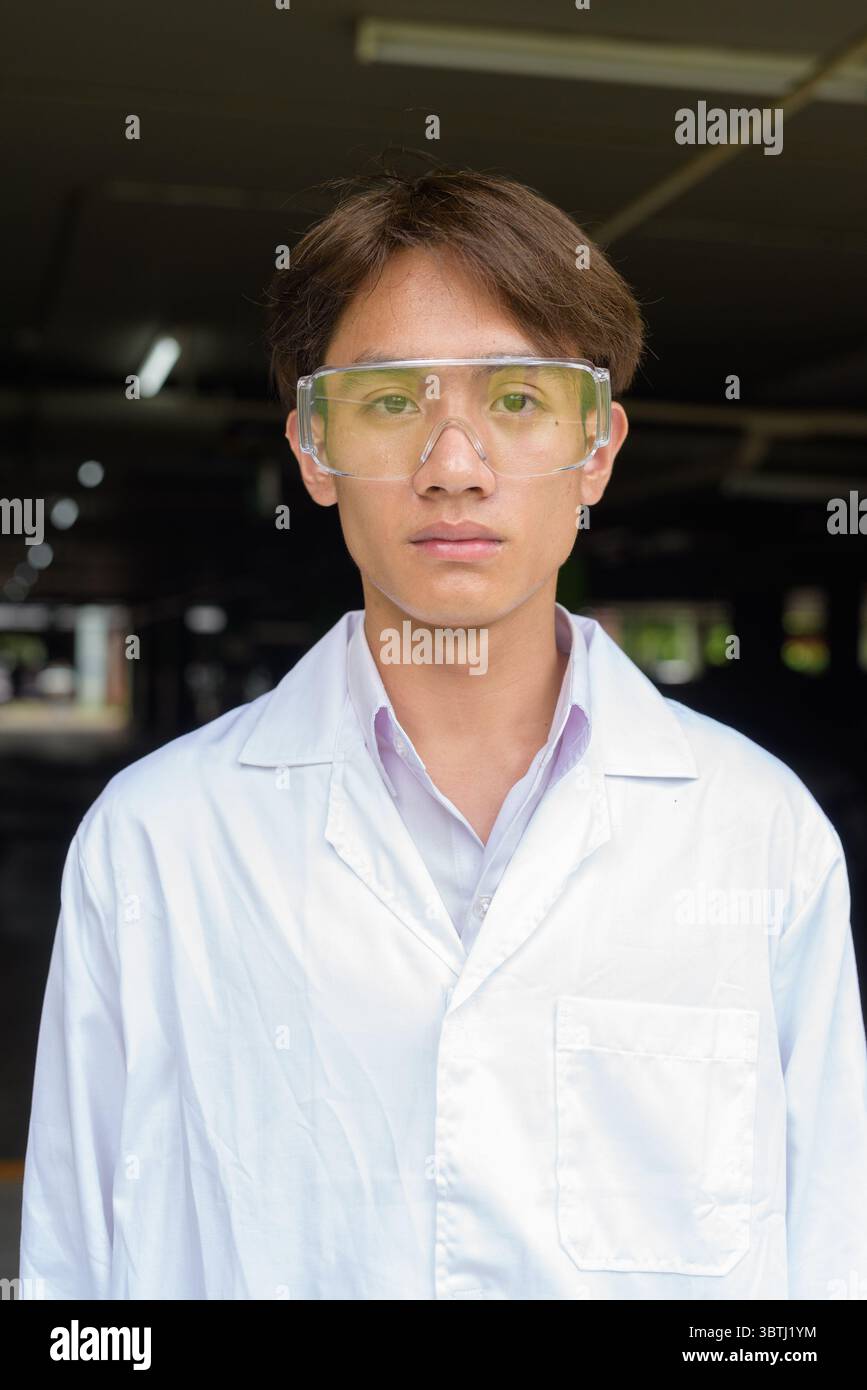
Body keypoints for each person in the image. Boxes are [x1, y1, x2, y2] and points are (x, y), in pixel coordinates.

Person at [20, 163, 867, 1301]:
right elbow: (77, 1265)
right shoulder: (157, 843)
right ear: (314, 452)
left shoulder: (759, 836)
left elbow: (826, 1258)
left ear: (598, 453)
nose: (454, 467)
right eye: (389, 403)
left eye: (516, 402)